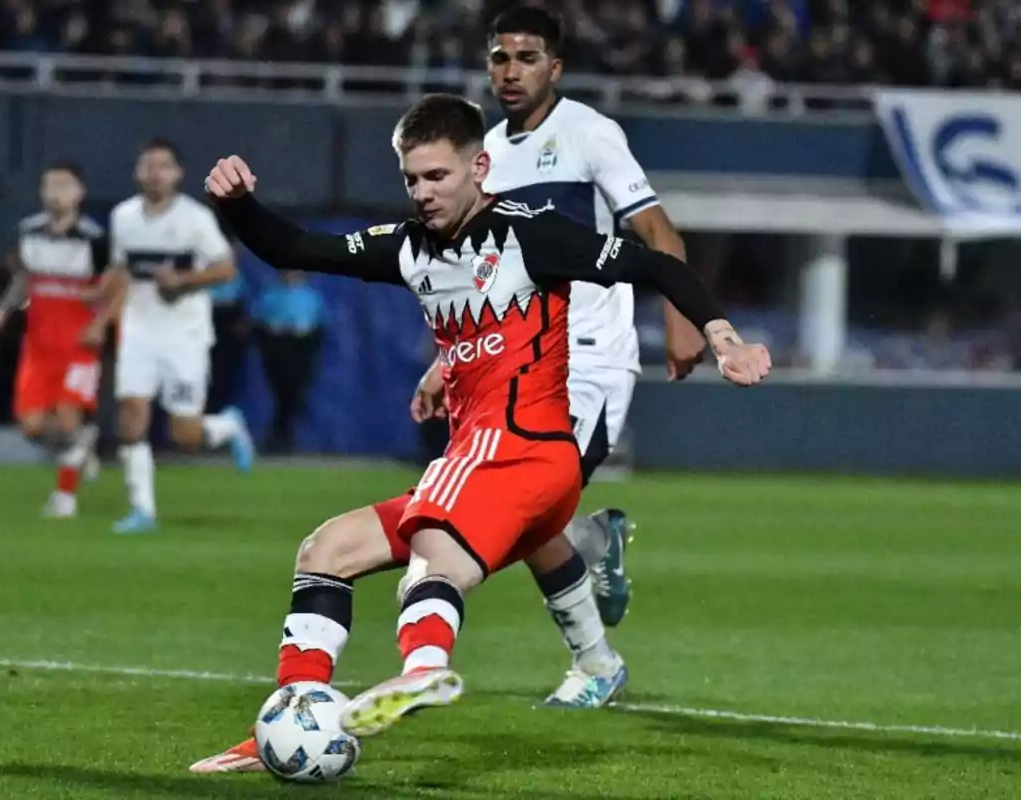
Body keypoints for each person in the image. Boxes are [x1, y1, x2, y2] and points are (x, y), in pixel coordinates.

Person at [189, 93, 769, 771]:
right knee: (326, 549)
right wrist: (236, 205)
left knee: (433, 547)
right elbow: (294, 246)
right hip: (494, 469)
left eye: (438, 177)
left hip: (525, 453)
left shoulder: (532, 234)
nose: (423, 193)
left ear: (480, 167)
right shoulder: (408, 246)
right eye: (412, 179)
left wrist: (722, 337)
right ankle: (294, 720)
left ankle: (425, 666)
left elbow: (661, 265)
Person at [403, 5, 706, 707]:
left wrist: (686, 314)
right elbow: (485, 277)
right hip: (517, 363)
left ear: (555, 67)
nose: (510, 71)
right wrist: (446, 362)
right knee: (531, 519)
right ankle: (596, 583)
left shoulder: (589, 134)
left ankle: (596, 653)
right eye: (500, 58)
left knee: (519, 510)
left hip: (591, 357)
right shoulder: (490, 158)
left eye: (527, 57)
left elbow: (655, 228)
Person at [102, 137, 256, 534]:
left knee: (183, 434)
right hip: (138, 330)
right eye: (148, 165)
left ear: (178, 173)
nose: (155, 173)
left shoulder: (195, 219)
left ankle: (227, 426)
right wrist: (103, 313)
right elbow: (121, 270)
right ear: (138, 172)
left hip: (184, 335)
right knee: (131, 418)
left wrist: (183, 281)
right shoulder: (123, 217)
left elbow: (226, 269)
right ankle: (142, 511)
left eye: (163, 165)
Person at [0, 161, 114, 517]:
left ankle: (64, 497)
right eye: (50, 186)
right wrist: (3, 309)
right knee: (32, 426)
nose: (56, 194)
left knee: (69, 417)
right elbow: (24, 279)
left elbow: (116, 284)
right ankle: (82, 447)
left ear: (79, 193)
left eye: (64, 186)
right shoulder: (29, 231)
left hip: (78, 346)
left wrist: (102, 320)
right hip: (38, 344)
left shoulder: (94, 239)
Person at [250, 270, 326, 452]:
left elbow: (320, 324)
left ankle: (284, 433)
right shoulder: (270, 294)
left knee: (296, 390)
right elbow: (258, 321)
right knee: (280, 389)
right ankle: (280, 434)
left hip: (302, 346)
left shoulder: (311, 296)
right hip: (277, 345)